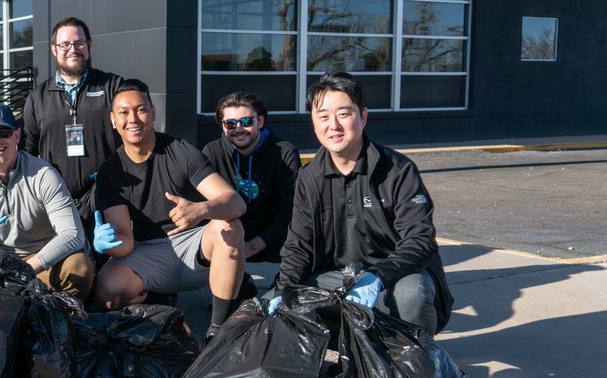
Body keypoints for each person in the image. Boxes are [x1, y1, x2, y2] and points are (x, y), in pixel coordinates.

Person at [274, 71, 453, 335]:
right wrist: (282, 291)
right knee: (288, 303)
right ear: (313, 123)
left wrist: (377, 277)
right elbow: (299, 244)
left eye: (344, 114)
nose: (333, 125)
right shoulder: (309, 177)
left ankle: (415, 368)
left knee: (411, 294)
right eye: (323, 116)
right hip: (336, 276)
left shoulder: (397, 170)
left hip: (395, 274)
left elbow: (420, 240)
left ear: (363, 116)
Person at [92, 79, 247, 339]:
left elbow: (236, 203)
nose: (133, 119)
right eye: (124, 112)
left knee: (229, 225)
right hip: (148, 252)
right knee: (108, 289)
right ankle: (159, 306)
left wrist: (202, 209)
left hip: (194, 247)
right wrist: (107, 243)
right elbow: (124, 244)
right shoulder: (110, 171)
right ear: (113, 120)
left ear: (152, 113)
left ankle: (218, 332)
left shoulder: (181, 151)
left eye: (141, 110)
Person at [0, 102, 94, 301]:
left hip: (41, 263)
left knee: (79, 268)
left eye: (4, 132)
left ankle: (52, 313)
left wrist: (26, 269)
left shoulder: (43, 174)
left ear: (17, 136)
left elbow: (73, 234)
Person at [21, 17, 122, 227]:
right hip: (55, 201)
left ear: (89, 46)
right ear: (54, 49)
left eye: (79, 43)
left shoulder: (113, 86)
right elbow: (27, 153)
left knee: (109, 258)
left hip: (108, 196)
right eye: (65, 44)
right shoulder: (37, 98)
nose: (72, 49)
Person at [202, 91, 302, 299]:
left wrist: (253, 245)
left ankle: (281, 291)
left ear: (261, 121)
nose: (238, 129)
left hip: (273, 234)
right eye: (230, 124)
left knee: (303, 235)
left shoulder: (284, 153)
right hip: (231, 232)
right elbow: (207, 206)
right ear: (222, 126)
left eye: (246, 121)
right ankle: (239, 286)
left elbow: (291, 212)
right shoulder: (212, 152)